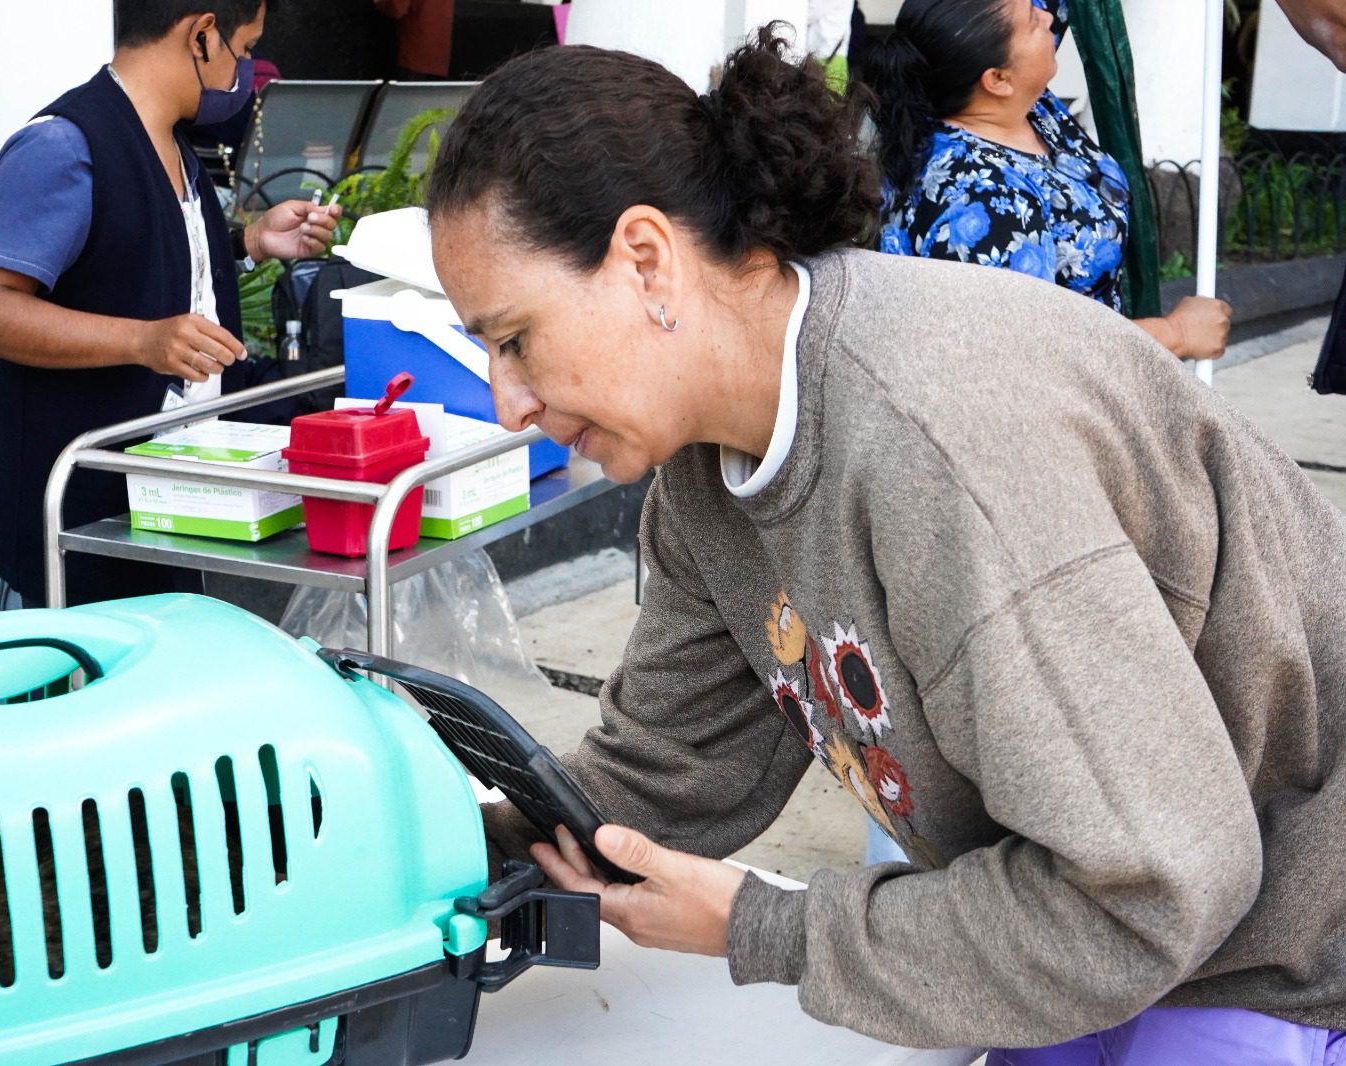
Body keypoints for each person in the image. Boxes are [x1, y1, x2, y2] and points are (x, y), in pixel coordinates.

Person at [424, 26, 1346, 1066]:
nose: (506, 402)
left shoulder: (938, 448)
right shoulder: (701, 478)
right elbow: (666, 775)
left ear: (645, 259)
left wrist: (761, 925)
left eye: (514, 339)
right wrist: (426, 856)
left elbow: (1154, 888)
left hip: (1291, 940)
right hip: (1089, 916)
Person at [0, 0, 341, 608]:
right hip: (72, 530)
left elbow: (133, 255)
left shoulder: (174, 143)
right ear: (203, 36)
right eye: (247, 49)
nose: (248, 72)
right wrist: (142, 341)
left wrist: (249, 242)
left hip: (162, 508)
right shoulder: (63, 145)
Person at [864, 0, 1231, 362]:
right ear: (998, 79)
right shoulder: (979, 196)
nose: (1048, 17)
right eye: (1032, 21)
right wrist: (1177, 335)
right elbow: (1031, 354)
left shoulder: (1018, 105)